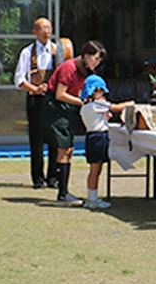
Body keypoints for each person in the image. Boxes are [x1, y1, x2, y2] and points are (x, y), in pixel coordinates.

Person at [44, 40, 107, 206]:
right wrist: (83, 102)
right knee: (65, 148)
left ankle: (63, 190)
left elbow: (79, 91)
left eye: (99, 60)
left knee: (69, 149)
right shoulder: (69, 67)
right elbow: (60, 94)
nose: (97, 62)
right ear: (85, 55)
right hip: (56, 107)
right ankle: (62, 192)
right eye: (95, 58)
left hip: (67, 108)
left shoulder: (84, 72)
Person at [14, 17, 59, 189]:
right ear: (35, 32)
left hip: (54, 98)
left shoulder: (58, 51)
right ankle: (38, 178)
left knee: (54, 138)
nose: (46, 31)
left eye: (49, 28)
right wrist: (34, 88)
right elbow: (18, 78)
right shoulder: (27, 52)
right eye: (42, 28)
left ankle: (53, 177)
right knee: (36, 139)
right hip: (35, 99)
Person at [79, 74, 135, 209]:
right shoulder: (98, 103)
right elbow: (116, 107)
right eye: (100, 91)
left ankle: (92, 197)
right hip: (99, 137)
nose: (102, 93)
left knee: (94, 169)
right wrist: (130, 103)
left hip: (91, 137)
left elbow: (103, 117)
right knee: (96, 170)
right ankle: (92, 199)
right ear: (94, 91)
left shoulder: (85, 106)